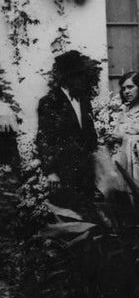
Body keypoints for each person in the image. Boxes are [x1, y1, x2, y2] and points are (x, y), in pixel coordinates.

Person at [36, 50, 99, 212]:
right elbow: (44, 138)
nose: (81, 80)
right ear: (66, 78)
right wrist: (51, 172)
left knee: (87, 219)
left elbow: (89, 134)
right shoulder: (50, 102)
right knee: (68, 220)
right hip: (64, 173)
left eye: (82, 75)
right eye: (77, 76)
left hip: (86, 173)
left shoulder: (84, 101)